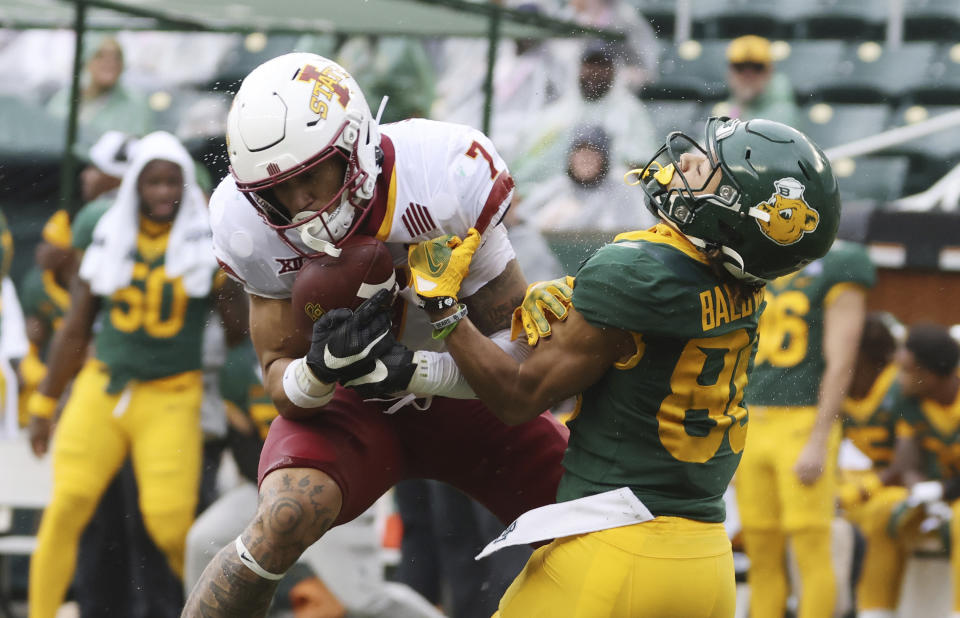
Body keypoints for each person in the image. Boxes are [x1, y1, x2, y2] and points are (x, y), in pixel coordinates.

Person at [344, 116, 842, 616]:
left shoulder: (635, 269)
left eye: (714, 169)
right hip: (704, 561)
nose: (690, 160)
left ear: (734, 215)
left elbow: (516, 398)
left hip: (618, 551)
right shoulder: (745, 285)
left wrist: (444, 308)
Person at [182, 52, 568, 614]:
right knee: (283, 518)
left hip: (472, 395)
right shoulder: (246, 226)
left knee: (595, 516)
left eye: (310, 176)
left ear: (355, 143)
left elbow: (525, 365)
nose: (299, 204)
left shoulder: (442, 174)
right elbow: (275, 375)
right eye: (279, 192)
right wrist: (319, 370)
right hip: (352, 405)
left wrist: (415, 368)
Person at [25, 131, 248, 618]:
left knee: (170, 524)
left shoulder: (204, 232)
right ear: (135, 187)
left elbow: (237, 331)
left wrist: (228, 273)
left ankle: (216, 610)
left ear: (187, 185)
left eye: (172, 182)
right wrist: (44, 403)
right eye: (152, 182)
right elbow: (77, 326)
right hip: (104, 386)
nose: (163, 192)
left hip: (172, 394)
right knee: (66, 507)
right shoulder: (108, 228)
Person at [185, 340, 445, 617]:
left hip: (330, 484)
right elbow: (244, 447)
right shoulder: (236, 366)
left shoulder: (328, 348)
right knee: (205, 540)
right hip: (265, 485)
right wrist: (275, 488)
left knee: (363, 599)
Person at [735, 226, 875, 618]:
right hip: (754, 419)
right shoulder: (759, 258)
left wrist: (820, 436)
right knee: (760, 551)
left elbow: (842, 360)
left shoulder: (839, 263)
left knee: (812, 547)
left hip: (802, 420)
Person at [837, 312, 910, 618]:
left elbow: (907, 464)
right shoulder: (838, 387)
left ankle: (874, 609)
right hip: (859, 480)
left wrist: (865, 488)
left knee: (881, 513)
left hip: (898, 485)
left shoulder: (900, 387)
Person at [886, 323, 960, 618]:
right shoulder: (909, 400)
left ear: (927, 374)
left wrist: (944, 492)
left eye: (906, 369)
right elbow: (907, 462)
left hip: (953, 493)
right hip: (940, 493)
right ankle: (875, 610)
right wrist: (919, 490)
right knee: (884, 515)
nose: (898, 376)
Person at [47, 37, 153, 155]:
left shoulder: (135, 104)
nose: (110, 63)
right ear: (87, 61)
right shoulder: (64, 98)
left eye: (117, 57)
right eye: (100, 56)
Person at [716, 35, 799, 127]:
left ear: (770, 71)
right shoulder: (727, 109)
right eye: (739, 67)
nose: (748, 75)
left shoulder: (783, 113)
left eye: (757, 67)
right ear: (730, 72)